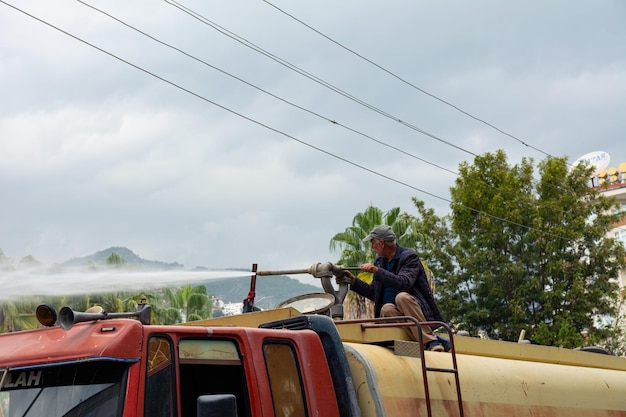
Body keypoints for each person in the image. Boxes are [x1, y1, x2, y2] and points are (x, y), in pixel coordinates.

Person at [345, 225, 449, 352]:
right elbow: (374, 293)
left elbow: (403, 283)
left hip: (414, 310)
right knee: (387, 308)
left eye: (373, 243)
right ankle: (432, 339)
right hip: (395, 316)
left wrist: (377, 271)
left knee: (402, 297)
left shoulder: (409, 257)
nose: (372, 247)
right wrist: (353, 281)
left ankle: (431, 341)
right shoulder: (380, 261)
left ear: (381, 243)